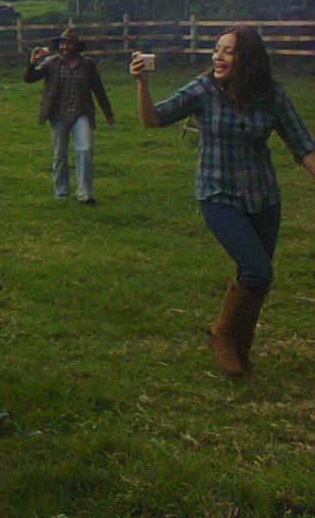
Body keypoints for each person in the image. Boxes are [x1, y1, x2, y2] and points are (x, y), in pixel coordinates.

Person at [131, 25, 315, 378]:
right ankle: (221, 337)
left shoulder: (273, 97)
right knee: (256, 270)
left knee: (258, 279)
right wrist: (142, 84)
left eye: (228, 51)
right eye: (216, 49)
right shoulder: (203, 90)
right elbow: (153, 120)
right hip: (217, 194)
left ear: (248, 60)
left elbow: (303, 145)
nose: (217, 56)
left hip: (263, 197)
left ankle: (237, 349)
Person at [22, 27, 113, 204]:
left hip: (81, 112)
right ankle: (61, 192)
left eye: (68, 43)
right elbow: (29, 79)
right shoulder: (51, 62)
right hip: (57, 114)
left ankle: (84, 193)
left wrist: (108, 113)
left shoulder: (88, 65)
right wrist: (32, 62)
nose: (64, 47)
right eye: (62, 43)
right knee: (59, 154)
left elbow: (98, 90)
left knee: (85, 149)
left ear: (76, 46)